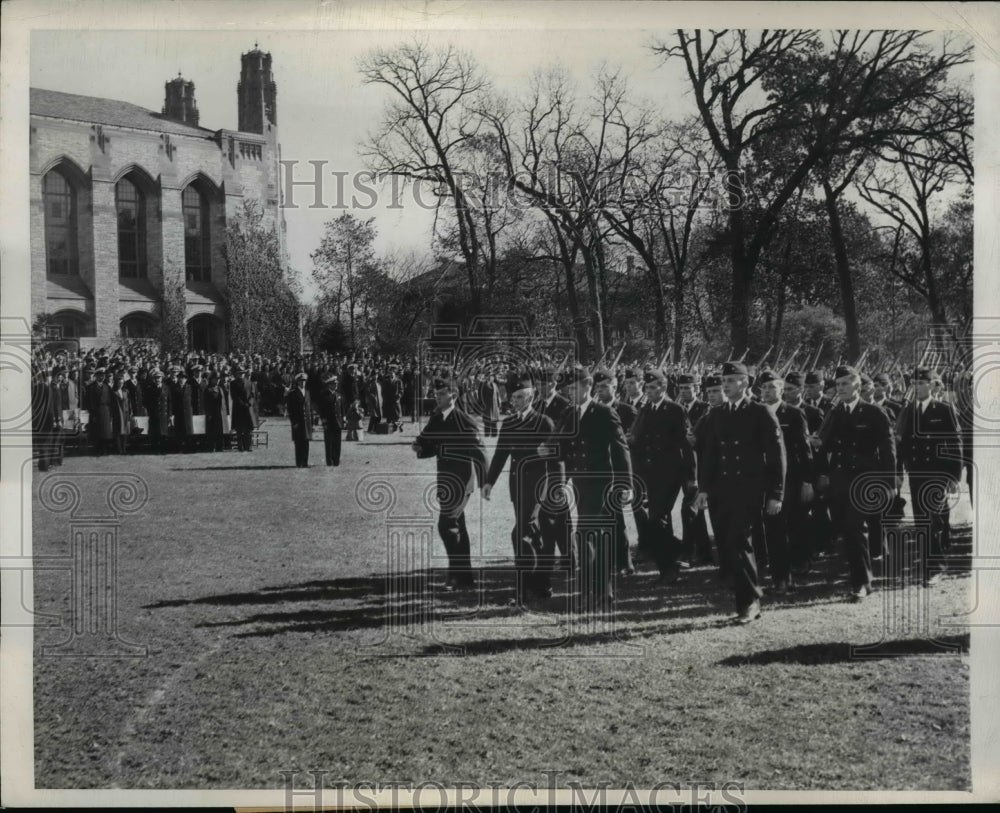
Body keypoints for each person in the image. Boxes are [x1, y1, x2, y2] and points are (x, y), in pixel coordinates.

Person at [692, 361, 786, 624]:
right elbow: (710, 456)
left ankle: (749, 602)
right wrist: (703, 489)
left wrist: (776, 492)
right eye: (724, 381)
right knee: (727, 544)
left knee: (740, 541)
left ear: (745, 382)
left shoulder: (760, 412)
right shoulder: (716, 414)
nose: (725, 385)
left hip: (748, 489)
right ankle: (746, 596)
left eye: (731, 380)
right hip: (721, 490)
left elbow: (777, 456)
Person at [542, 365, 633, 614]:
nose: (570, 392)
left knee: (589, 539)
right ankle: (597, 593)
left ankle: (596, 594)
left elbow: (620, 448)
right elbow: (562, 445)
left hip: (602, 484)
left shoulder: (604, 412)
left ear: (588, 384)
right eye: (567, 389)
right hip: (581, 484)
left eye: (574, 387)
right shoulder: (570, 413)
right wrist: (547, 449)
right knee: (590, 540)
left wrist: (625, 485)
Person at [816, 365, 897, 601]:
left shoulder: (873, 412)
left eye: (845, 384)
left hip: (865, 480)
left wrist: (889, 482)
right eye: (838, 385)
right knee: (848, 531)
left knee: (854, 527)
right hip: (840, 480)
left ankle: (862, 582)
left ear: (857, 386)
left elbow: (887, 449)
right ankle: (859, 578)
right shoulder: (835, 413)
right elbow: (826, 444)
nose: (840, 389)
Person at [484, 374, 559, 605]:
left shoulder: (544, 422)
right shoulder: (508, 423)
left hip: (539, 486)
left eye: (519, 397)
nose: (513, 401)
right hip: (517, 485)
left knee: (523, 534)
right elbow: (500, 454)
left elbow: (556, 456)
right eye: (512, 397)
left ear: (531, 397)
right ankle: (539, 586)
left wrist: (557, 486)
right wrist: (489, 481)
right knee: (531, 535)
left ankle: (526, 588)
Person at [412, 377, 489, 591]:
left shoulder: (464, 420)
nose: (437, 397)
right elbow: (426, 441)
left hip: (462, 481)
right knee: (457, 528)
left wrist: (485, 482)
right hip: (445, 480)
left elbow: (480, 453)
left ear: (453, 396)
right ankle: (464, 579)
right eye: (436, 394)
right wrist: (419, 447)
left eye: (442, 394)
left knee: (447, 525)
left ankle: (456, 576)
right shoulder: (437, 419)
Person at [627, 369, 696, 584]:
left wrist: (692, 476)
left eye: (653, 387)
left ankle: (673, 562)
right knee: (656, 521)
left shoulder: (674, 409)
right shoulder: (645, 409)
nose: (648, 392)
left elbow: (685, 444)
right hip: (648, 473)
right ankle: (671, 563)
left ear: (663, 388)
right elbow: (637, 439)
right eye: (646, 388)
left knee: (657, 518)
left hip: (670, 472)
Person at [895, 368, 963, 585]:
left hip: (937, 472)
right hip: (916, 472)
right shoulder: (909, 411)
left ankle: (935, 567)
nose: (916, 387)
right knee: (922, 520)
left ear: (933, 385)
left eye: (921, 383)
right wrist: (899, 469)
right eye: (913, 383)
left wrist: (953, 476)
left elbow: (954, 443)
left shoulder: (944, 409)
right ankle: (928, 563)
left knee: (931, 519)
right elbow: (902, 443)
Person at [757, 371, 815, 593]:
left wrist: (808, 481)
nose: (768, 391)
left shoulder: (793, 413)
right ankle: (777, 574)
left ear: (781, 389)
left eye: (772, 387)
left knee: (788, 526)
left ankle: (788, 574)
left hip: (790, 479)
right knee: (770, 529)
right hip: (762, 480)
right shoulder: (757, 413)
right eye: (764, 388)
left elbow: (804, 449)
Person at [592, 368, 638, 575]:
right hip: (597, 472)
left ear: (615, 386)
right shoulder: (592, 410)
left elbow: (632, 443)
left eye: (605, 386)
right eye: (598, 386)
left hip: (617, 471)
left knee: (616, 519)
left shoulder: (627, 411)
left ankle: (624, 562)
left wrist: (627, 481)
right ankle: (605, 560)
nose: (600, 390)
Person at [317, 371, 344, 466]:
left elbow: (341, 409)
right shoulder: (324, 395)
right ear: (329, 385)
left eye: (336, 383)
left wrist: (343, 419)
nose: (336, 385)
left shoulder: (338, 395)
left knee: (337, 442)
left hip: (338, 422)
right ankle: (329, 461)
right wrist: (324, 421)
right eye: (334, 383)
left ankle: (336, 460)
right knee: (329, 443)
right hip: (329, 422)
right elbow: (321, 410)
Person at [86, 367, 115, 456]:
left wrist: (110, 412)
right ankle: (97, 449)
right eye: (99, 376)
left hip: (106, 411)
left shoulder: (107, 387)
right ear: (96, 376)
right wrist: (93, 414)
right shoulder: (91, 387)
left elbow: (110, 400)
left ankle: (104, 449)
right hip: (96, 412)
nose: (101, 378)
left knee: (105, 432)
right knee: (97, 431)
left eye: (103, 376)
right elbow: (90, 402)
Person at [287, 372, 313, 468]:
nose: (303, 383)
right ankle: (299, 462)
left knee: (306, 442)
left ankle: (305, 462)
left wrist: (312, 423)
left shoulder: (307, 392)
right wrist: (294, 422)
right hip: (298, 421)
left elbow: (309, 408)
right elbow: (290, 410)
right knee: (299, 442)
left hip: (306, 422)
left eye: (304, 381)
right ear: (297, 382)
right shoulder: (292, 393)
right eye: (301, 381)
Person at [143, 368, 171, 454]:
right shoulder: (150, 389)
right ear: (153, 379)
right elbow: (146, 402)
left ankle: (163, 450)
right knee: (155, 433)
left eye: (159, 377)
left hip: (164, 414)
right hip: (154, 414)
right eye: (156, 378)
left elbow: (170, 402)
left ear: (162, 378)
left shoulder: (166, 388)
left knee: (163, 433)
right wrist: (149, 412)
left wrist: (170, 414)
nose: (158, 379)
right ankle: (155, 450)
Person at [229, 366, 257, 452]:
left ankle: (248, 446)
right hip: (238, 409)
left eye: (242, 373)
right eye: (239, 373)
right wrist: (243, 404)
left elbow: (252, 395)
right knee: (239, 429)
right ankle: (240, 447)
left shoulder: (249, 383)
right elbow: (234, 396)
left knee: (248, 429)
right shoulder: (233, 383)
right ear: (236, 374)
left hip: (248, 409)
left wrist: (249, 403)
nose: (240, 375)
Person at [203, 373, 228, 452]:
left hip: (220, 414)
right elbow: (205, 403)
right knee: (211, 432)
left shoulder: (220, 388)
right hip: (212, 414)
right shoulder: (208, 390)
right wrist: (209, 413)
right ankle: (211, 447)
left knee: (220, 431)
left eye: (218, 379)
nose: (217, 380)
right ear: (211, 379)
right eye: (215, 379)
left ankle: (220, 447)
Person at [110, 370, 133, 454]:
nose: (121, 384)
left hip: (125, 413)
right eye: (119, 383)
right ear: (116, 383)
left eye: (122, 383)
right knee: (118, 432)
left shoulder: (126, 391)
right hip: (117, 414)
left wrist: (130, 411)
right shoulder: (113, 392)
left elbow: (129, 402)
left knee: (125, 432)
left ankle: (124, 448)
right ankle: (119, 449)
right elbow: (111, 404)